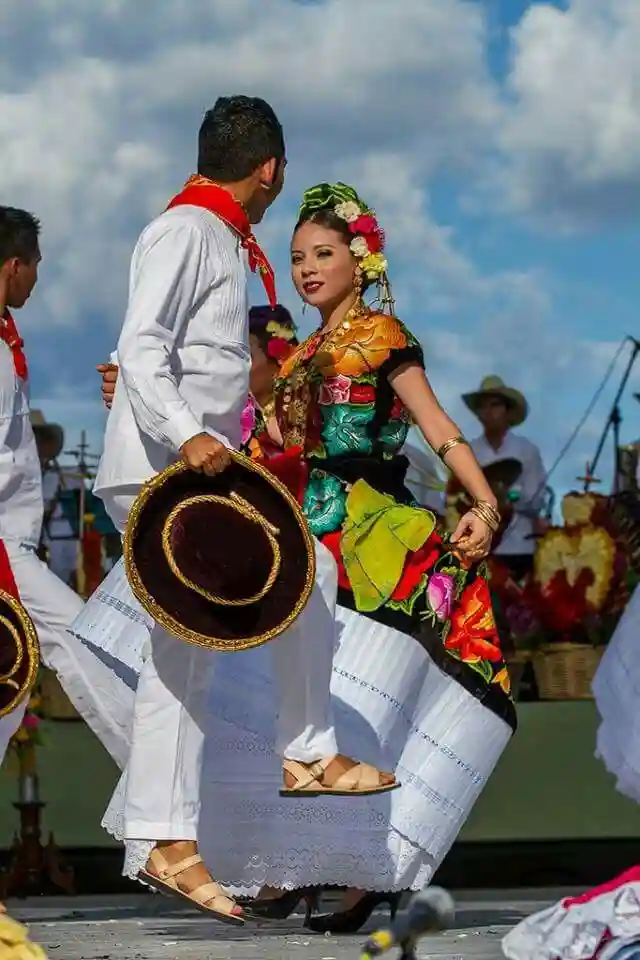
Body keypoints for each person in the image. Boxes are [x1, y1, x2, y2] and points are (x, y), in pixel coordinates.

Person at [135, 182, 515, 932]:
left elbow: (437, 425)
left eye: (324, 255)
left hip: (379, 537)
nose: (308, 269)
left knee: (369, 710)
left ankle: (362, 875)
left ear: (360, 259)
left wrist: (484, 503)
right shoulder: (300, 355)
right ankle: (297, 863)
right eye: (298, 257)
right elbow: (265, 446)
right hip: (309, 538)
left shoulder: (383, 337)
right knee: (294, 710)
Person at [91, 99, 398, 925]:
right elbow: (144, 343)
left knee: (282, 590)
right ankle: (193, 817)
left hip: (195, 468)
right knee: (204, 638)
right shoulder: (188, 231)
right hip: (171, 472)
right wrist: (188, 432)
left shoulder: (216, 237)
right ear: (271, 167)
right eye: (281, 173)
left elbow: (177, 360)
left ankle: (265, 776)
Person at [0, 206, 136, 767]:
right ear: (13, 266)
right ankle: (165, 790)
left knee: (11, 691)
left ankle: (164, 791)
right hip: (5, 548)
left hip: (15, 543)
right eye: (35, 266)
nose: (37, 277)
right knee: (82, 643)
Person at [464, 376, 547, 582]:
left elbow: (537, 500)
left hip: (520, 546)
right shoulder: (469, 452)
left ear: (507, 410)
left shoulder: (526, 450)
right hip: (480, 547)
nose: (489, 411)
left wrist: (509, 496)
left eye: (495, 405)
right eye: (483, 407)